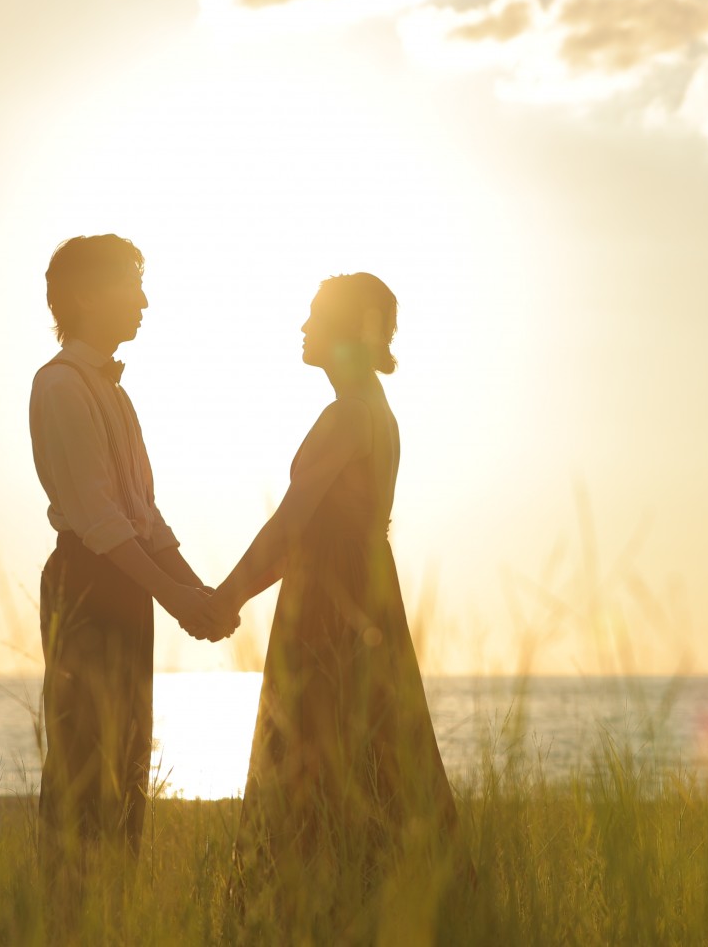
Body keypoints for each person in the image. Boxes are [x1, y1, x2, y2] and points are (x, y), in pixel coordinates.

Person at [208, 272, 456, 903]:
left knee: (316, 764)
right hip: (367, 593)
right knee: (375, 764)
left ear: (346, 330)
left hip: (332, 603)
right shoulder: (376, 409)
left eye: (315, 316)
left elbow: (292, 524)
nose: (303, 327)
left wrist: (224, 598)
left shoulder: (349, 414)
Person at [29, 234, 236, 863]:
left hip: (124, 580)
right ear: (88, 296)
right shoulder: (61, 385)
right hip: (87, 581)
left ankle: (113, 907)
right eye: (131, 285)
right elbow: (99, 520)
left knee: (126, 757)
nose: (144, 301)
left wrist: (200, 591)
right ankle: (70, 912)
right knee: (84, 758)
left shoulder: (116, 393)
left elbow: (142, 515)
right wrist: (179, 598)